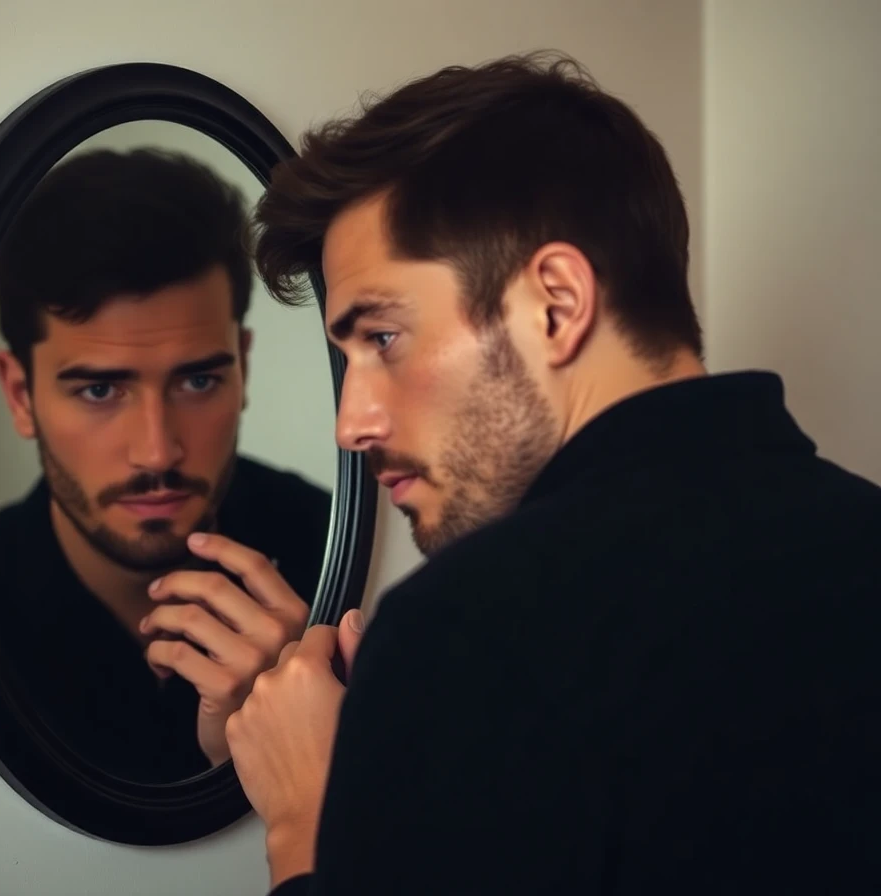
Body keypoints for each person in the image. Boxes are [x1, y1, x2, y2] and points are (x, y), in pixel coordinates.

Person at [207, 52, 881, 893]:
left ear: (556, 305)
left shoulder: (464, 633)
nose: (353, 425)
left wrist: (307, 822)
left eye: (382, 338)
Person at [0, 147, 332, 784]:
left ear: (241, 367)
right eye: (100, 391)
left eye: (196, 382)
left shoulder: (335, 547)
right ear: (20, 395)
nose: (158, 452)